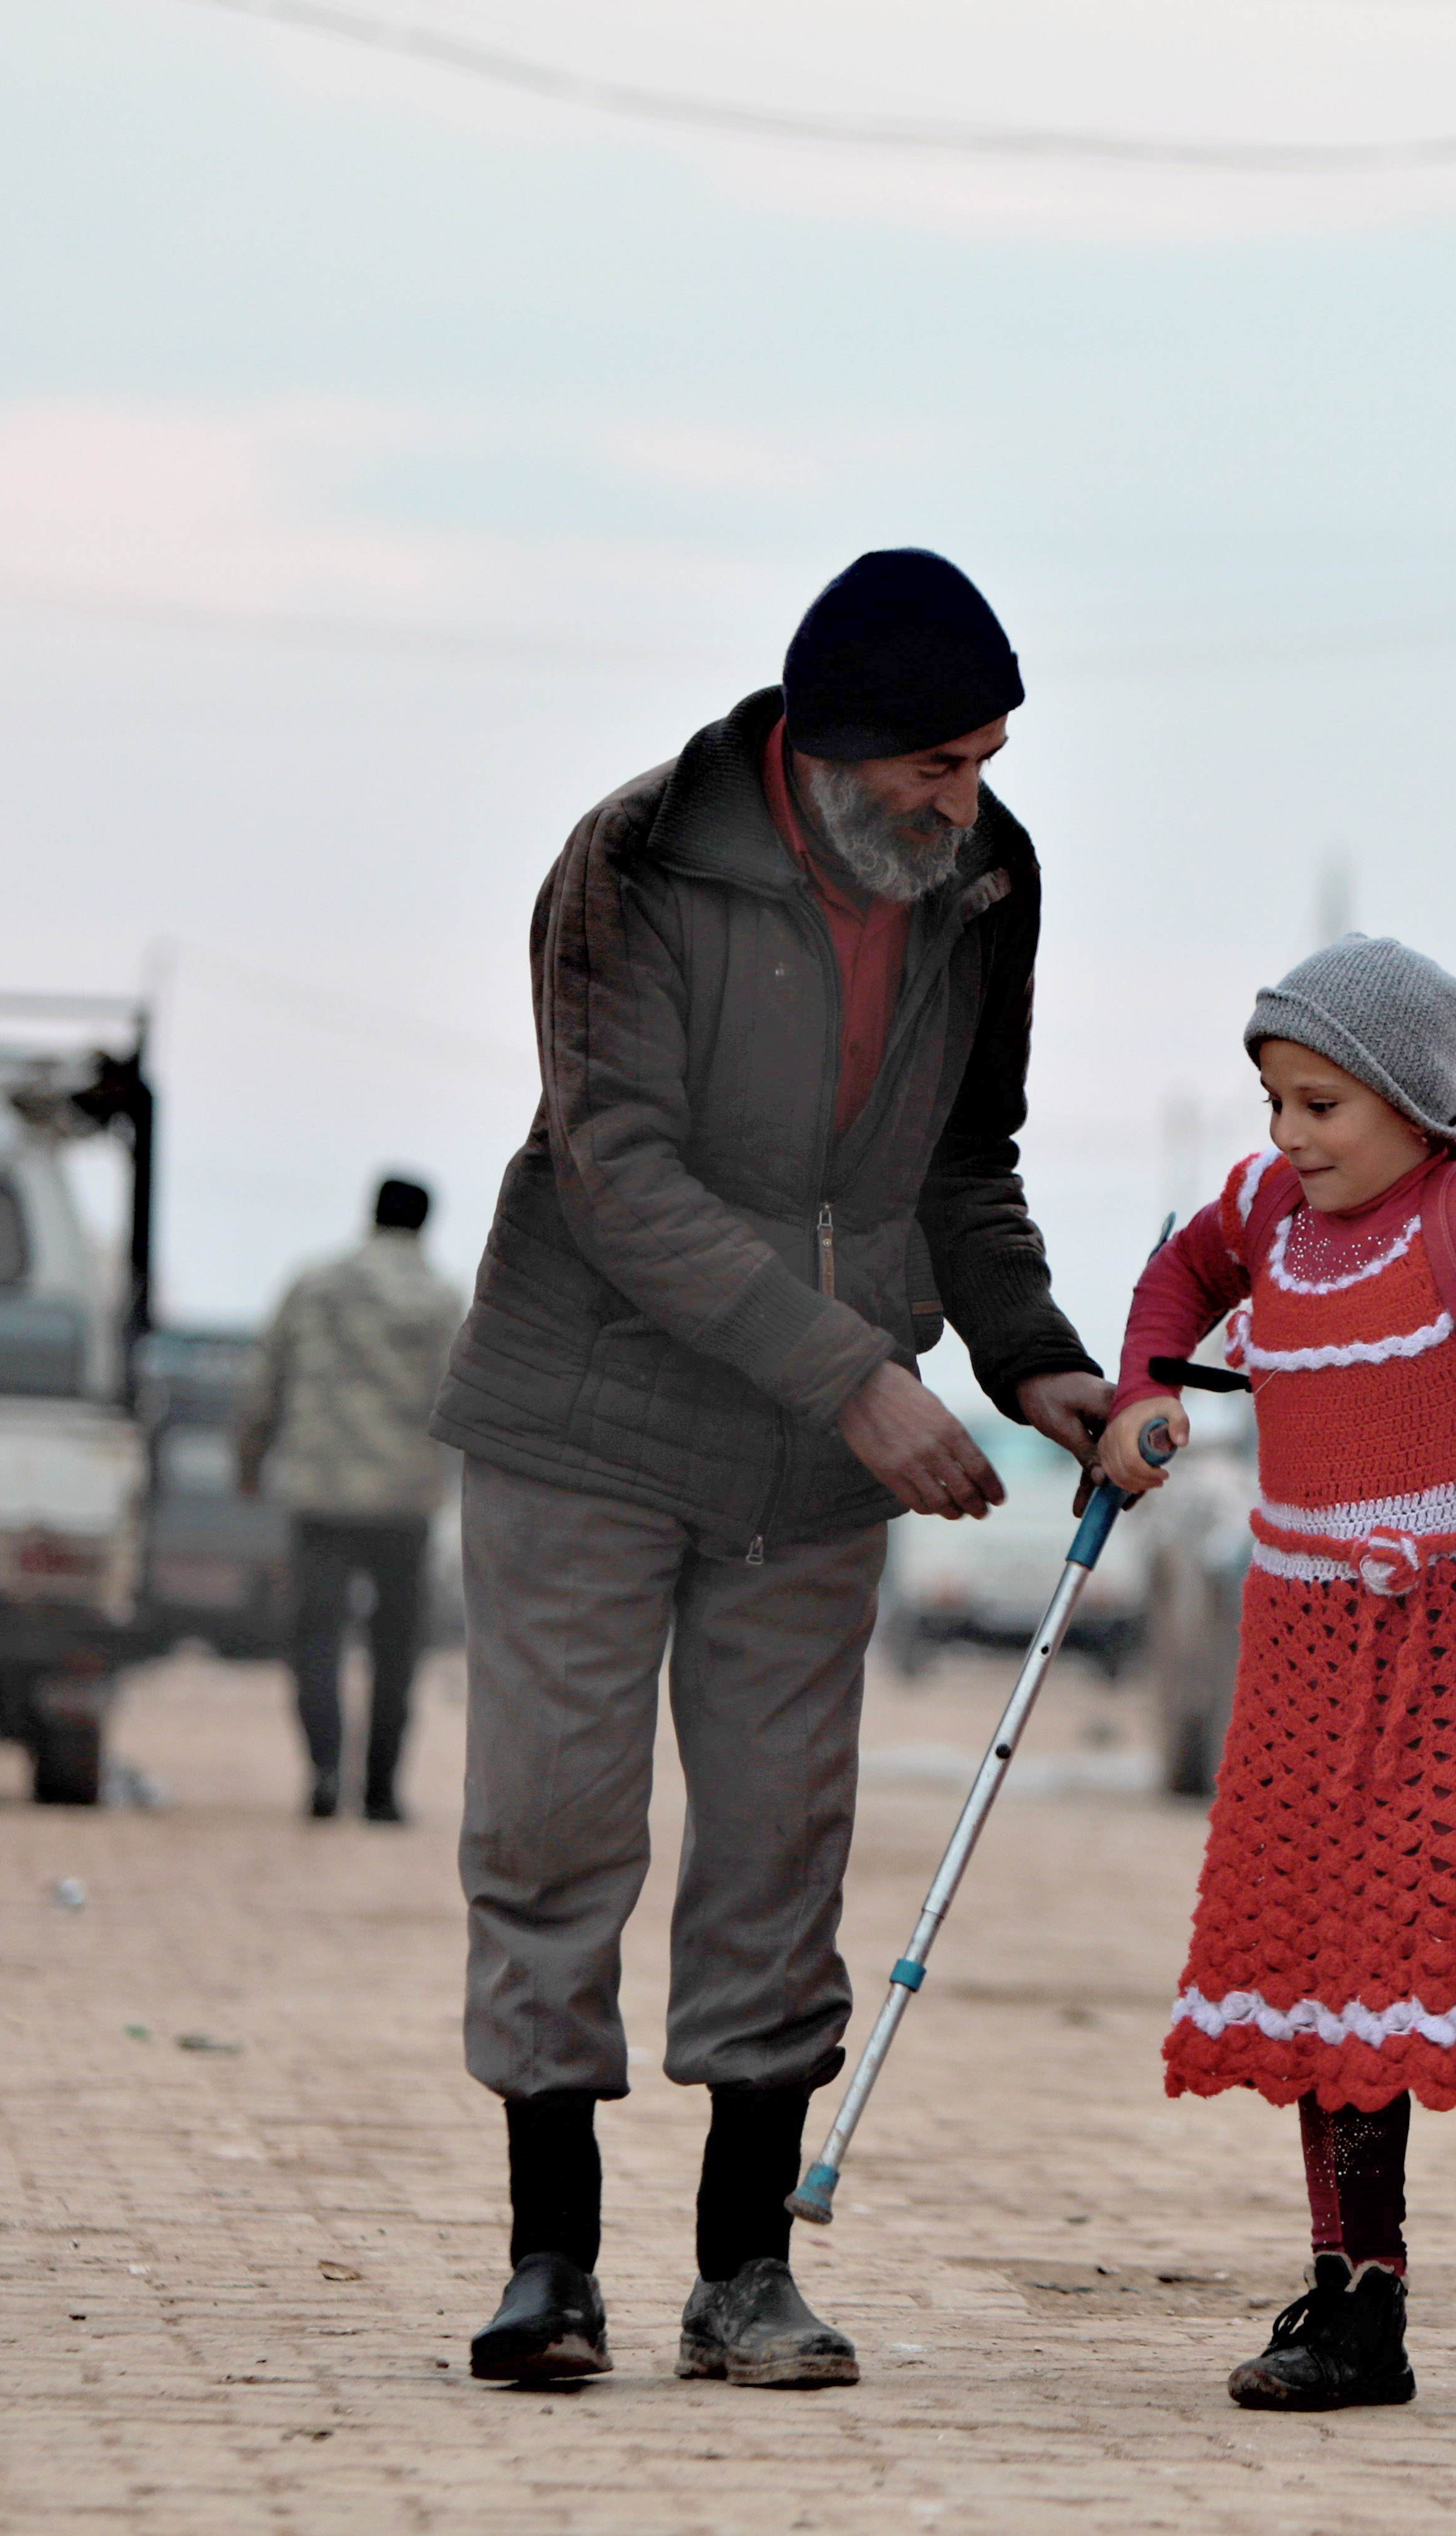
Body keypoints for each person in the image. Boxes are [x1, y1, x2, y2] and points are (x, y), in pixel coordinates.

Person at [427, 551, 1113, 2391]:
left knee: (779, 1849)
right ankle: (547, 2257)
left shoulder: (991, 878)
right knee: (556, 1831)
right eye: (933, 767)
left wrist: (1037, 1358)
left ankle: (742, 2272)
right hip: (583, 1417)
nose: (964, 803)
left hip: (807, 1471)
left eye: (983, 763)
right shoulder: (634, 861)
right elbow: (615, 1162)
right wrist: (859, 1379)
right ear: (820, 743)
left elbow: (969, 1159)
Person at [1099, 935, 1456, 2414]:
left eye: (1320, 1105)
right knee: (1303, 1962)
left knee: (1386, 1951)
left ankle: (1366, 2295)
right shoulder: (1266, 1212)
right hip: (1296, 1641)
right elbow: (1180, 1268)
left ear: (1415, 1099)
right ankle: (1350, 2291)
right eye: (1276, 1100)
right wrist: (1148, 1384)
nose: (1286, 1135)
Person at [233, 1173, 466, 1824]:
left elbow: (265, 1379)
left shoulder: (314, 1283)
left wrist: (250, 1463)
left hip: (320, 1494)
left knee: (316, 1641)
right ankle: (383, 1791)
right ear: (425, 1224)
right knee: (396, 1649)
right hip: (403, 1499)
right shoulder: (440, 1299)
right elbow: (461, 1396)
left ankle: (324, 1774)